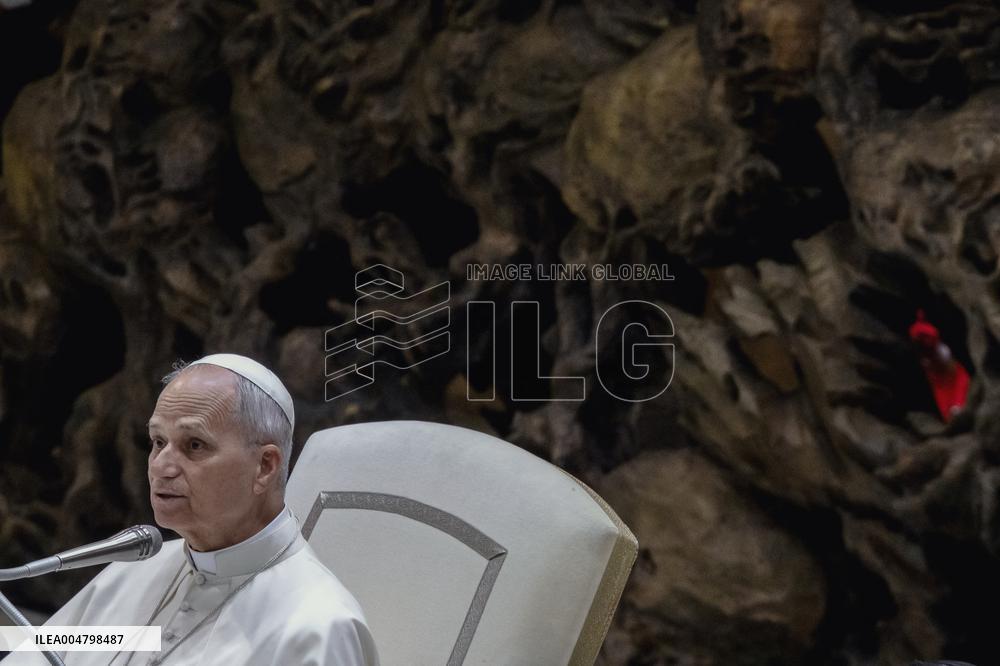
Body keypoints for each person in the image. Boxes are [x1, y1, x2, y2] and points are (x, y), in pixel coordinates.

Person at [2, 353, 379, 665]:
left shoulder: (317, 628)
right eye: (157, 441)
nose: (162, 467)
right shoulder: (132, 574)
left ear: (264, 466)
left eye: (194, 445)